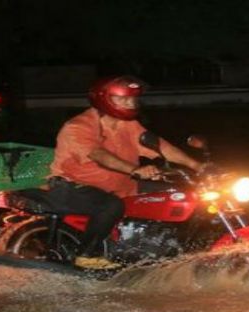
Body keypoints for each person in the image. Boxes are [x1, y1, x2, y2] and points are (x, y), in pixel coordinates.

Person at [47, 75, 204, 270]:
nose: (130, 103)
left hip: (122, 185)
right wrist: (134, 169)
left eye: (133, 98)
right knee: (111, 206)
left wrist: (198, 166)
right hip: (71, 186)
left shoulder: (128, 125)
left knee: (177, 195)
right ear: (103, 99)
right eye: (122, 99)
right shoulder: (78, 126)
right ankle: (86, 255)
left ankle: (163, 246)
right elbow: (98, 155)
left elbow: (160, 146)